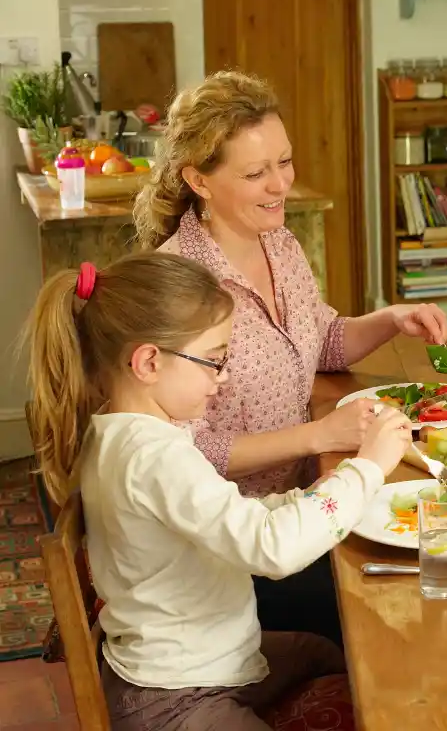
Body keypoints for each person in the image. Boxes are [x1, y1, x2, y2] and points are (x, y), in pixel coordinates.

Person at [25, 253, 413, 731]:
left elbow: (228, 515)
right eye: (213, 361)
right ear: (149, 362)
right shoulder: (154, 458)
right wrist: (368, 468)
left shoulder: (123, 430)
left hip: (210, 658)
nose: (222, 377)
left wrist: (314, 495)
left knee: (324, 652)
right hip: (174, 699)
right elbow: (272, 550)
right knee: (346, 659)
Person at [132, 70, 447, 646]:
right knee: (403, 607)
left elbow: (319, 343)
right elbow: (186, 451)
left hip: (304, 504)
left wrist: (389, 321)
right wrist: (318, 436)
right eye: (256, 173)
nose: (280, 184)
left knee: (440, 545)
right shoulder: (179, 286)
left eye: (284, 161)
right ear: (198, 180)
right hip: (234, 550)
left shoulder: (279, 243)